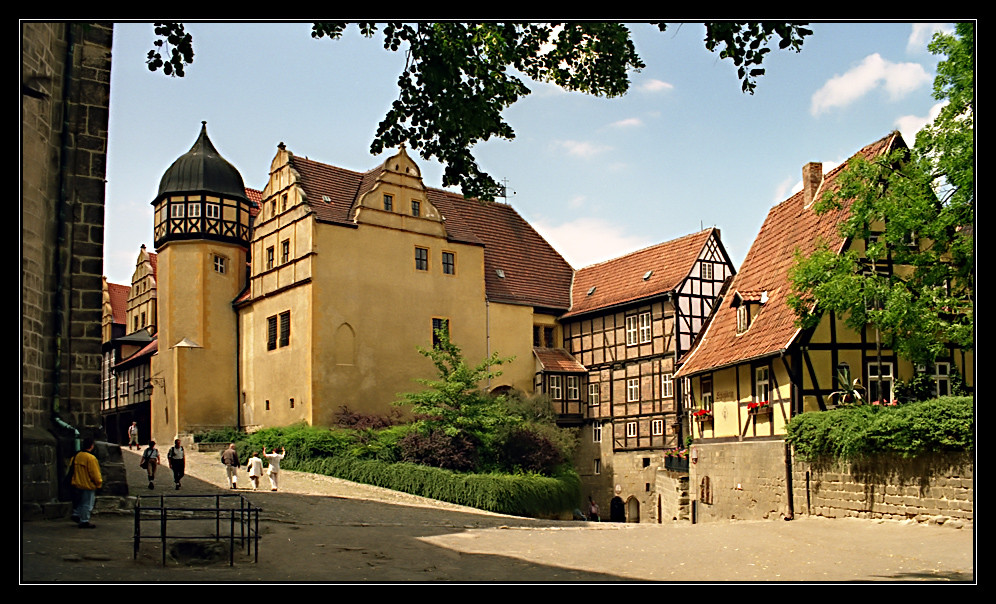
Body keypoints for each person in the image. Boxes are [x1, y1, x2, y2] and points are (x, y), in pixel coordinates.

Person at [71, 438, 102, 529]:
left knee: (79, 501)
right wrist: (99, 483)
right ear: (92, 446)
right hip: (88, 484)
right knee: (87, 503)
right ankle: (84, 520)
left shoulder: (76, 456)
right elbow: (95, 473)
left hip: (77, 483)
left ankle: (76, 513)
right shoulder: (91, 458)